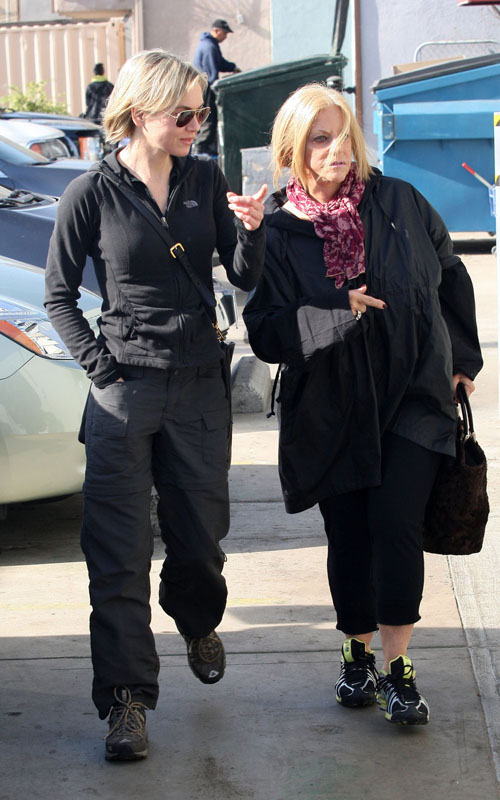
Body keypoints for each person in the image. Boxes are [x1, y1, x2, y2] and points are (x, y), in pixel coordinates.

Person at [45, 49, 266, 761]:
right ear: (140, 113)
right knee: (117, 551)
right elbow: (57, 295)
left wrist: (252, 231)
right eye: (184, 113)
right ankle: (127, 701)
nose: (197, 124)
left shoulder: (205, 178)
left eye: (202, 113)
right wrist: (101, 367)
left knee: (200, 539)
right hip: (124, 390)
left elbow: (242, 274)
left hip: (199, 382)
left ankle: (196, 618)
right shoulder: (91, 192)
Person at [243, 83, 482, 726]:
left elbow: (449, 274)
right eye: (320, 138)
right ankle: (357, 653)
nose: (337, 149)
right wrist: (335, 312)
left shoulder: (399, 200)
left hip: (414, 393)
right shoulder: (280, 229)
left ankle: (399, 669)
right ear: (293, 151)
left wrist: (461, 360)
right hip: (331, 405)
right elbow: (265, 332)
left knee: (396, 525)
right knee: (349, 536)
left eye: (343, 134)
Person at [192, 19, 241, 156]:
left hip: (202, 86)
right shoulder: (209, 47)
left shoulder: (209, 44)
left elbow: (220, 63)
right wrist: (216, 88)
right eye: (224, 33)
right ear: (216, 31)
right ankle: (202, 147)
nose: (225, 37)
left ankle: (204, 146)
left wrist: (232, 67)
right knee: (209, 117)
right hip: (206, 86)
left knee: (207, 116)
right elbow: (211, 73)